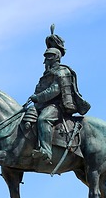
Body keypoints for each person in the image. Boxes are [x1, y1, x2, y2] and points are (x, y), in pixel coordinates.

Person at [28, 27, 90, 163]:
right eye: (45, 58)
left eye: (48, 58)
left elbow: (55, 90)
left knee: (43, 119)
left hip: (57, 106)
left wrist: (38, 97)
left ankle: (46, 151)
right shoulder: (47, 74)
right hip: (43, 104)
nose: (45, 61)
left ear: (55, 58)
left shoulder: (62, 72)